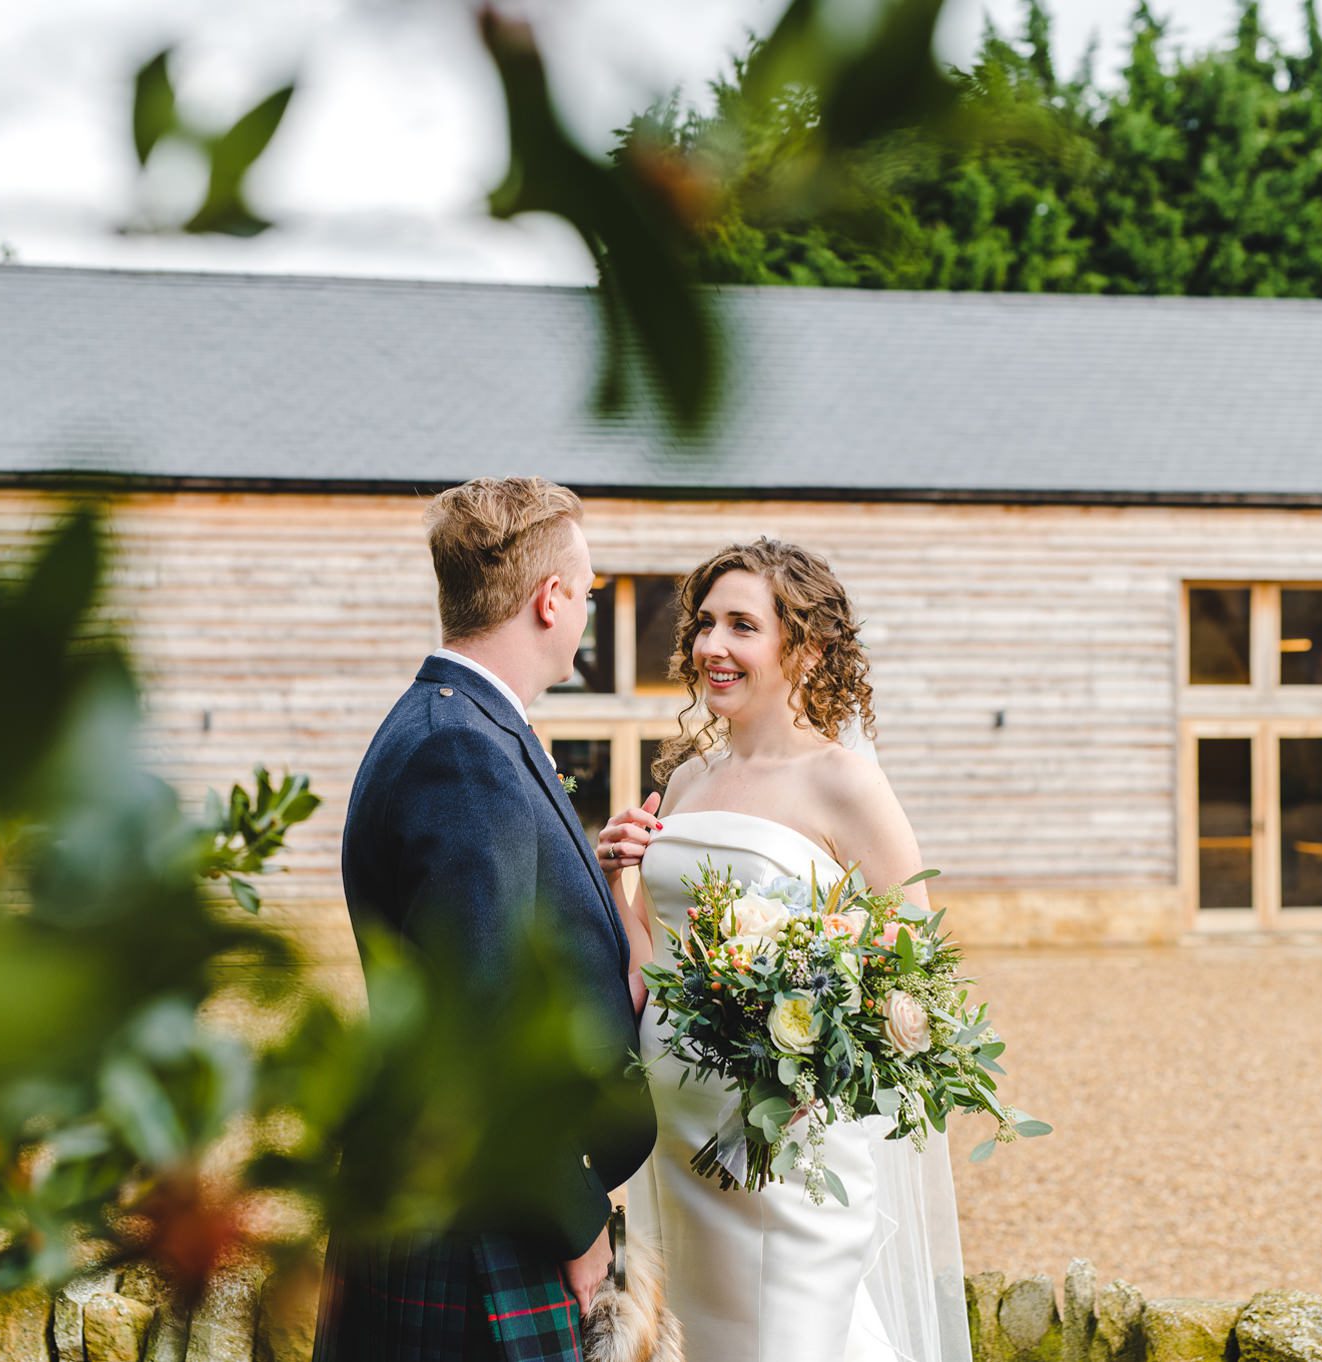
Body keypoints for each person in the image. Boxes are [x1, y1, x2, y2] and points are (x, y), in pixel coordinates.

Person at [596, 538, 972, 1362]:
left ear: (803, 648)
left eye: (741, 626)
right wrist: (616, 875)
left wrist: (810, 1034)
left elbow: (917, 958)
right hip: (674, 1132)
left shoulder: (844, 783)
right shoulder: (689, 778)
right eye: (703, 624)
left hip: (783, 1142)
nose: (710, 647)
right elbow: (651, 957)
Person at [313, 476, 657, 1362]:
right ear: (549, 601)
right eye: (586, 592)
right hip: (481, 1218)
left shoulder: (457, 724)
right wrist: (578, 1225)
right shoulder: (463, 753)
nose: (586, 610)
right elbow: (482, 1028)